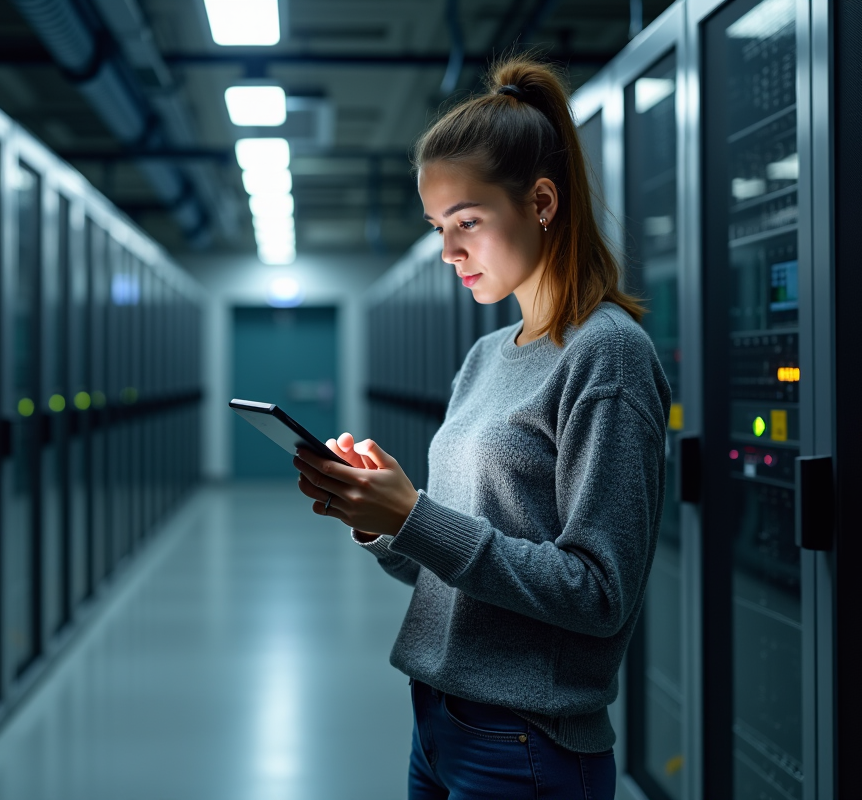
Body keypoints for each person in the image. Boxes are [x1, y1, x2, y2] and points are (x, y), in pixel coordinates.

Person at [292, 54, 671, 800]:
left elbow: (599, 593)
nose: (448, 251)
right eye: (439, 227)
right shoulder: (486, 355)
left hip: (528, 743)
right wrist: (381, 518)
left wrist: (417, 515)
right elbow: (450, 568)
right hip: (437, 722)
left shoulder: (609, 355)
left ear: (540, 202)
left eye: (466, 222)